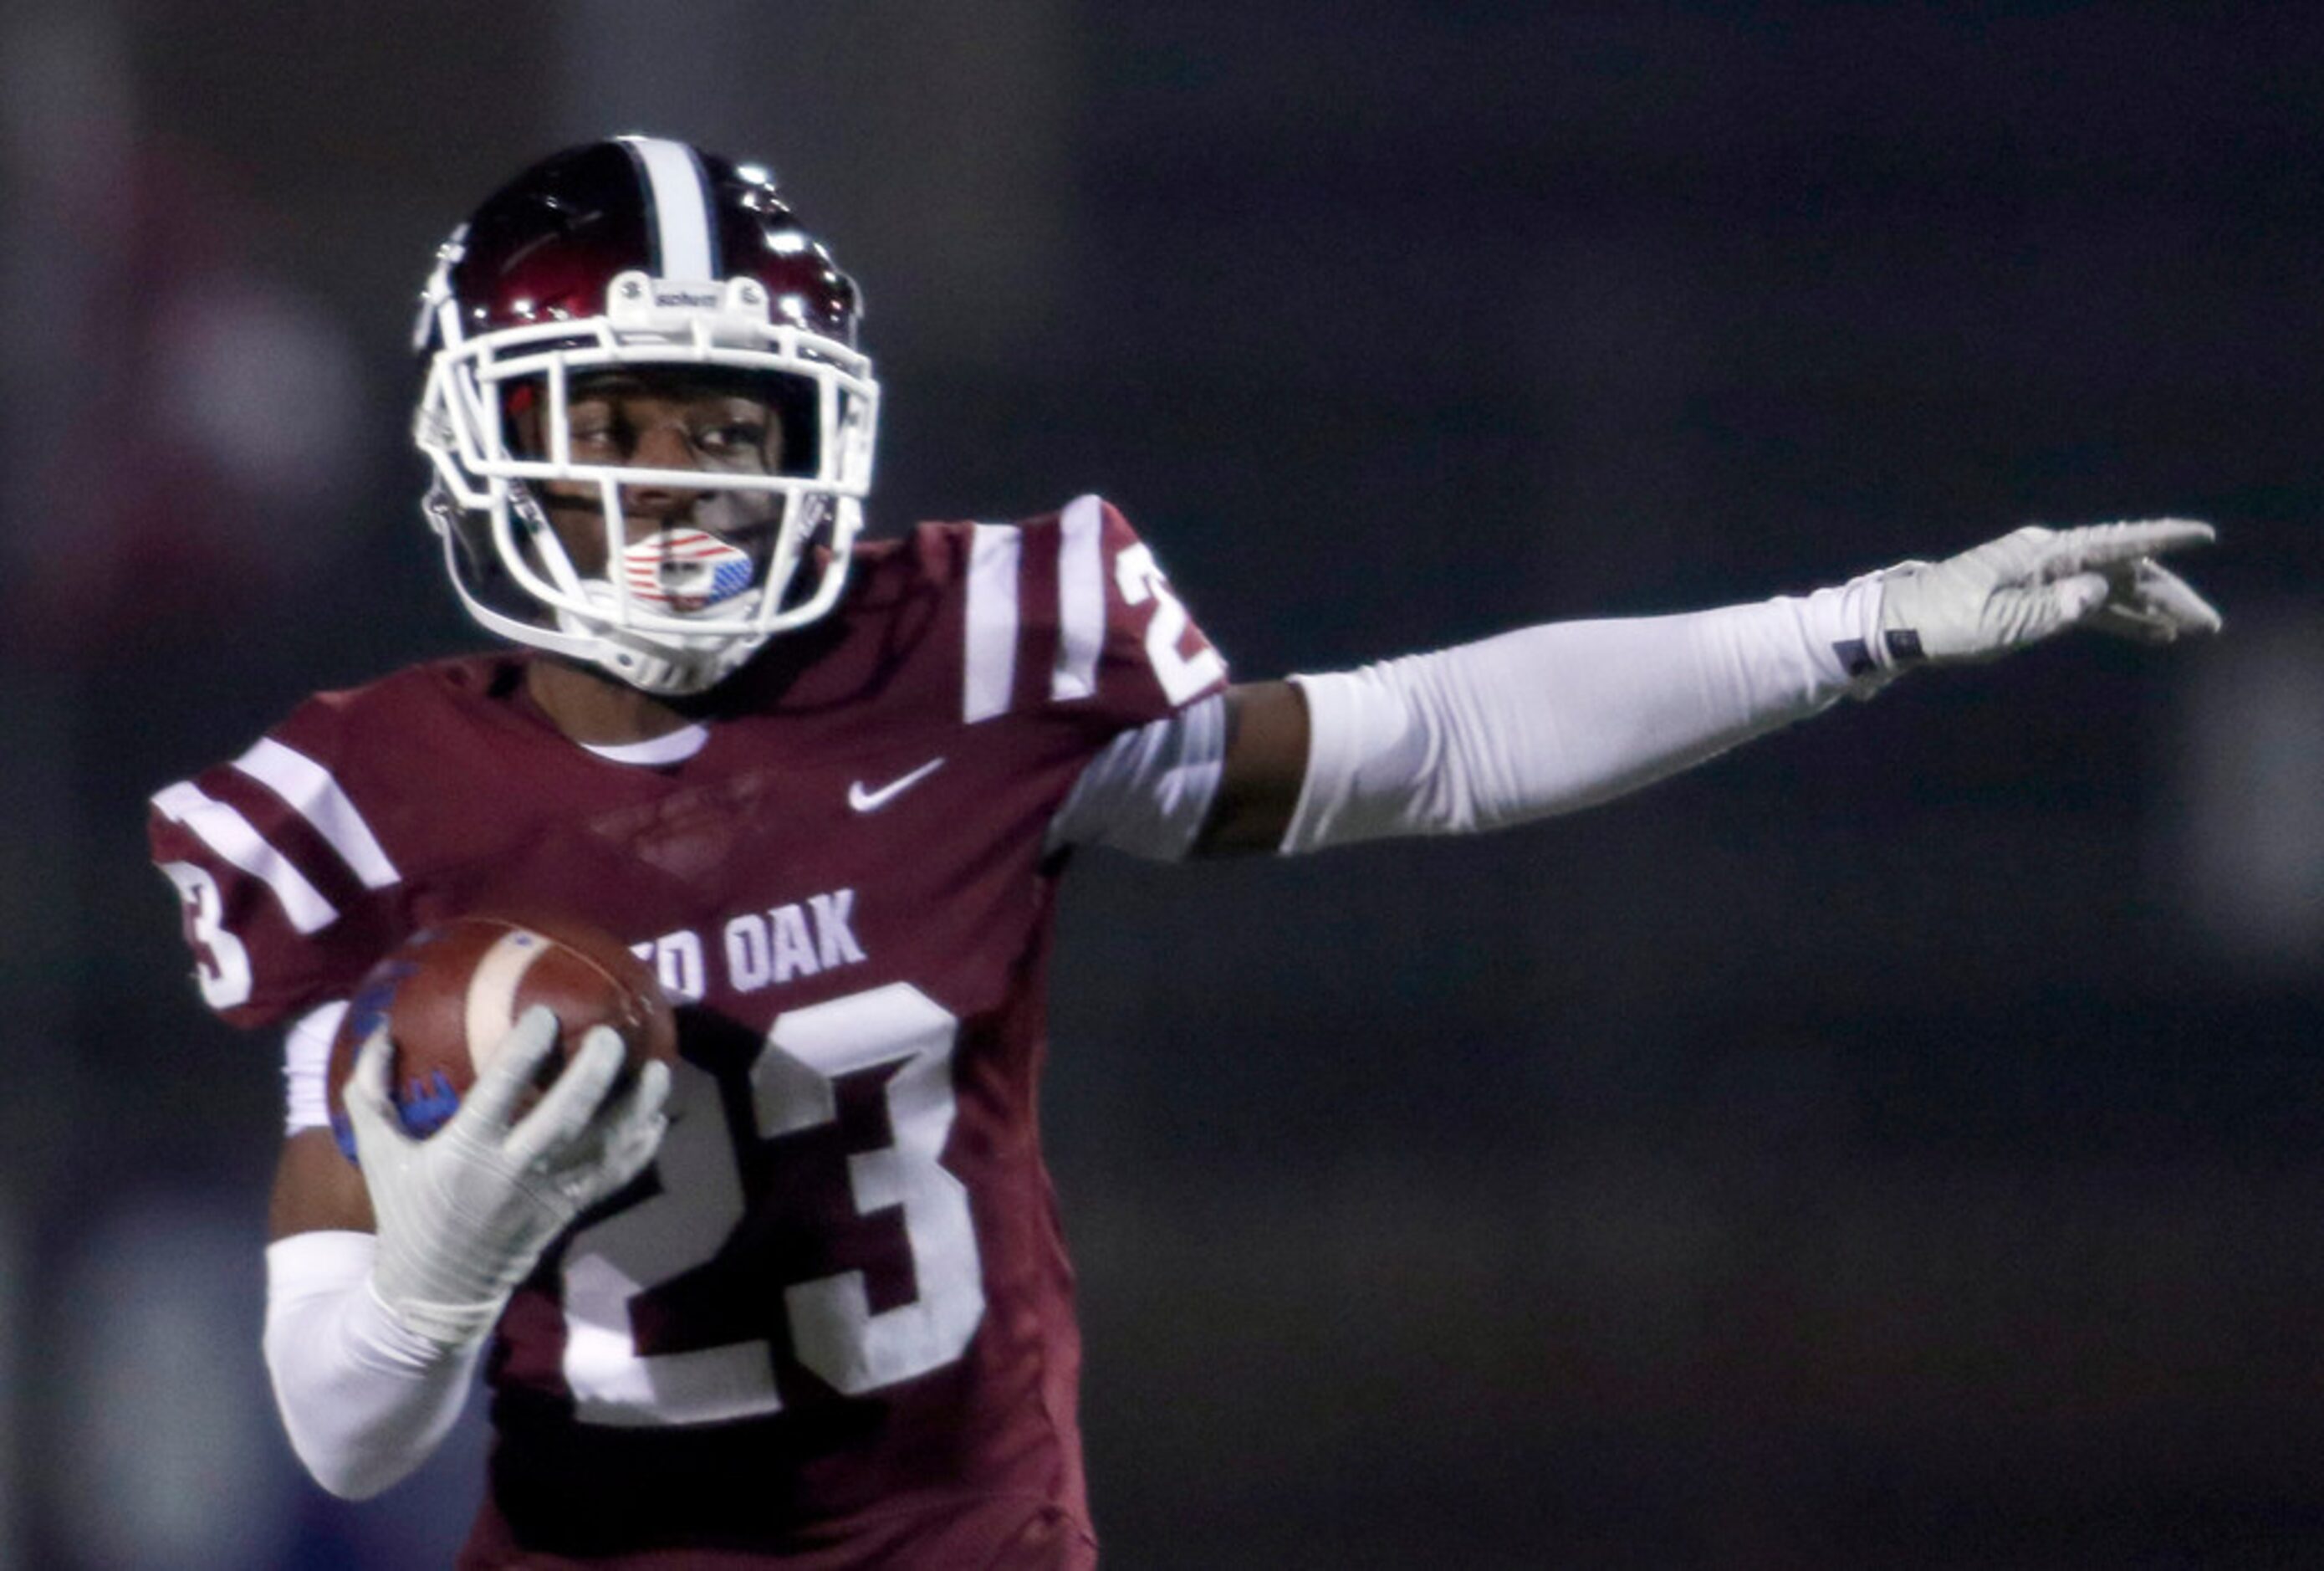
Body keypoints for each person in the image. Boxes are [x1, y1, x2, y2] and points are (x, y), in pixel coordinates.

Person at [146, 136, 2221, 1568]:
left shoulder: (954, 666)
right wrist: (429, 1272)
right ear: (484, 430)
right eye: (625, 415)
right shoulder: (372, 812)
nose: (686, 478)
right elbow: (347, 1427)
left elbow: (1442, 738)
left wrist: (1855, 623)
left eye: (732, 421)